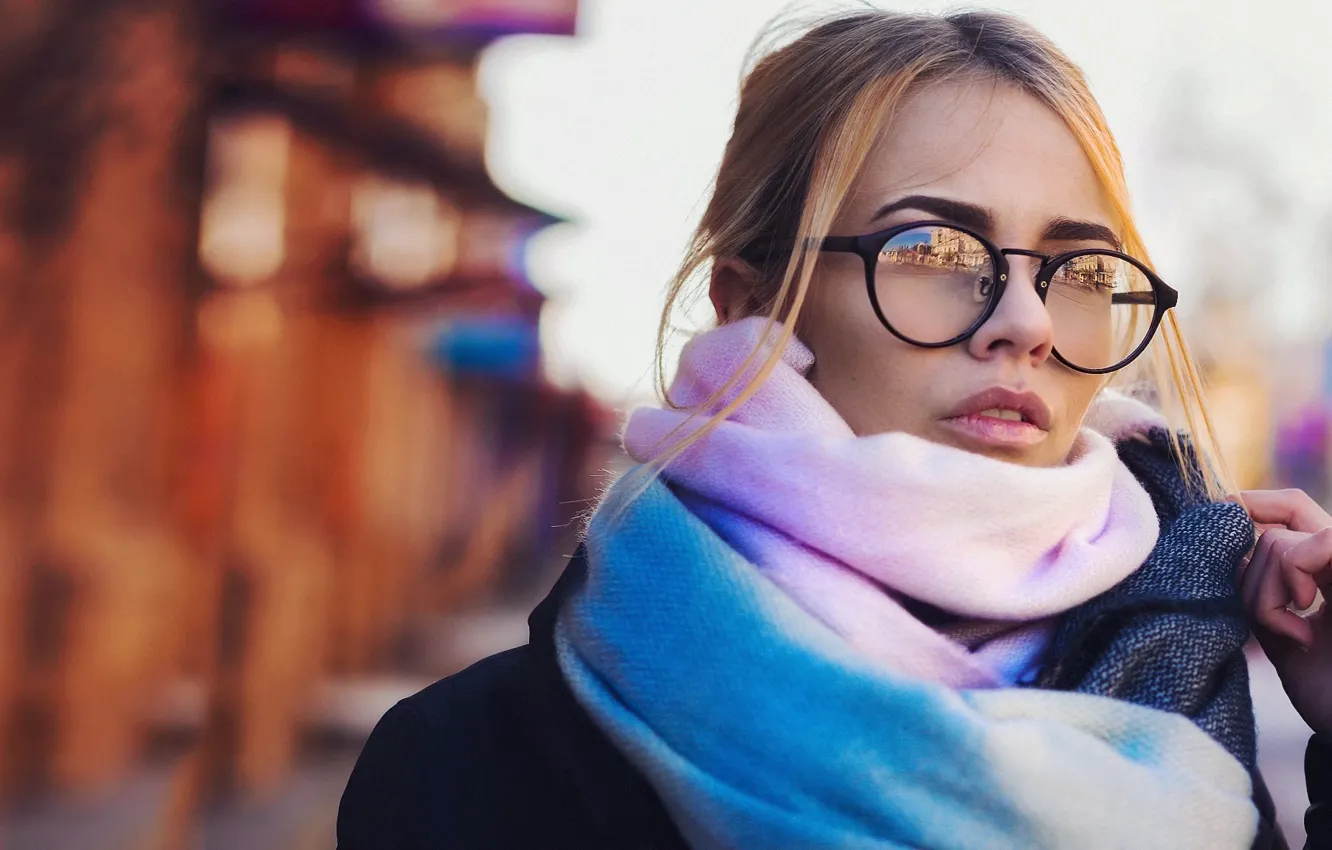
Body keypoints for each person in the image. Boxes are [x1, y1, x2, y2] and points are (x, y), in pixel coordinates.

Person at [337, 9, 1332, 849]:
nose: (1026, 324)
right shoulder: (466, 770)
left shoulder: (1186, 728)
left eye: (1075, 270)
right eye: (937, 246)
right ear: (750, 303)